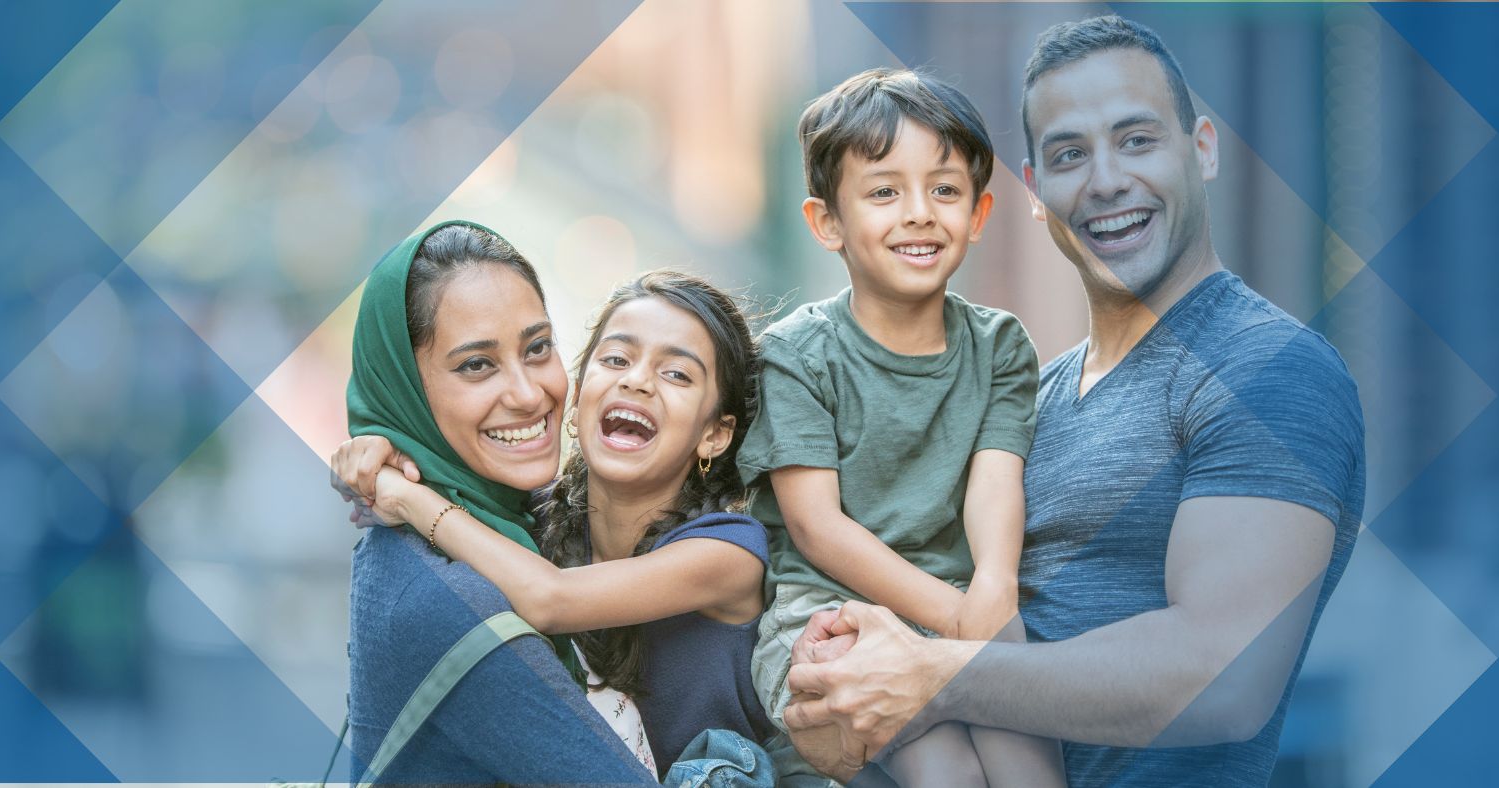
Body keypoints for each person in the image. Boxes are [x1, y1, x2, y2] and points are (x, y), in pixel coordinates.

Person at [782, 15, 1366, 788]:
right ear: (1034, 190)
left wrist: (928, 677)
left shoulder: (1268, 369)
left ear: (1203, 149)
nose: (1105, 181)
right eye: (1069, 155)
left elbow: (1224, 678)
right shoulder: (1024, 391)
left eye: (1137, 140)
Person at [735, 68, 1064, 786]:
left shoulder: (1000, 347)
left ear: (978, 215)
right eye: (884, 192)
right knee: (947, 771)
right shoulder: (796, 355)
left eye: (944, 190)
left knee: (1028, 764)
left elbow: (995, 482)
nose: (919, 212)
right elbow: (819, 530)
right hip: (830, 617)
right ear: (828, 223)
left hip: (965, 602)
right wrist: (956, 621)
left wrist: (993, 592)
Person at [340, 268, 776, 776]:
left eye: (677, 374)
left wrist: (410, 500)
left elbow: (552, 599)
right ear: (579, 391)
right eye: (615, 359)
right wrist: (382, 448)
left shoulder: (729, 552)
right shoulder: (532, 521)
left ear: (715, 436)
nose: (636, 380)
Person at [342, 220, 656, 783]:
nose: (529, 393)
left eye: (537, 348)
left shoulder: (528, 520)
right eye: (476, 365)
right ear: (404, 387)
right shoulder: (446, 599)